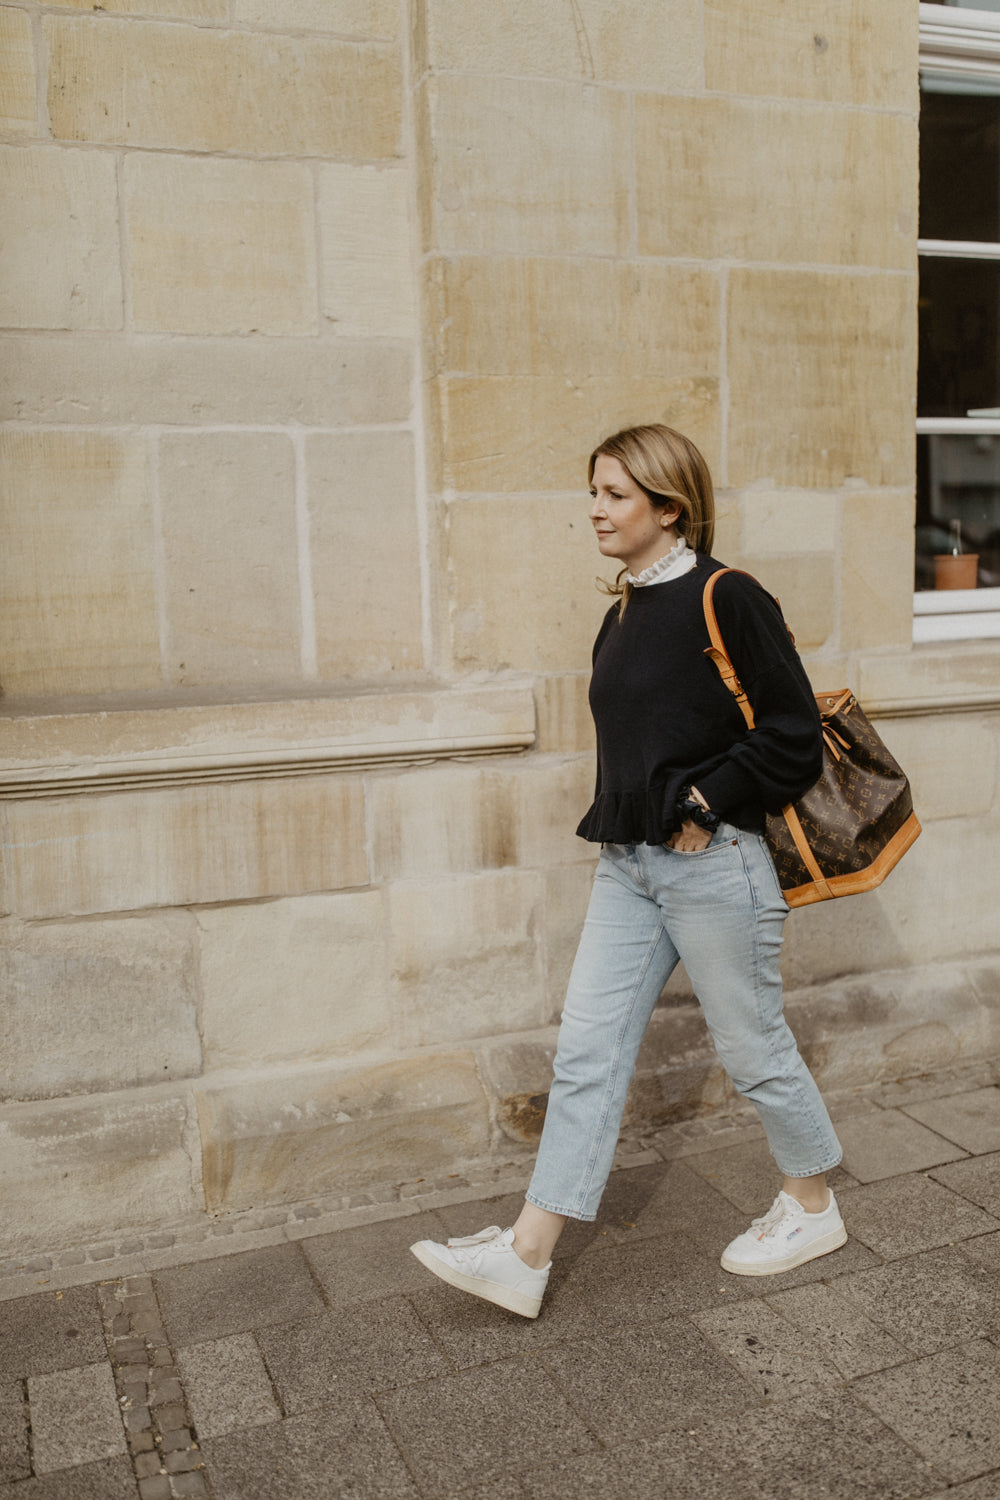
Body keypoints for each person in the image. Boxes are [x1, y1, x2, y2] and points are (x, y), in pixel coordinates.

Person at [410, 423, 845, 1319]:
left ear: (668, 506)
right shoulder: (623, 611)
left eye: (613, 495)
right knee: (586, 1053)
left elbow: (793, 734)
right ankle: (526, 1256)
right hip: (630, 870)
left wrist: (702, 805)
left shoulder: (730, 598)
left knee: (753, 1048)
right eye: (595, 493)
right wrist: (644, 826)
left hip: (714, 866)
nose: (596, 511)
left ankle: (812, 1207)